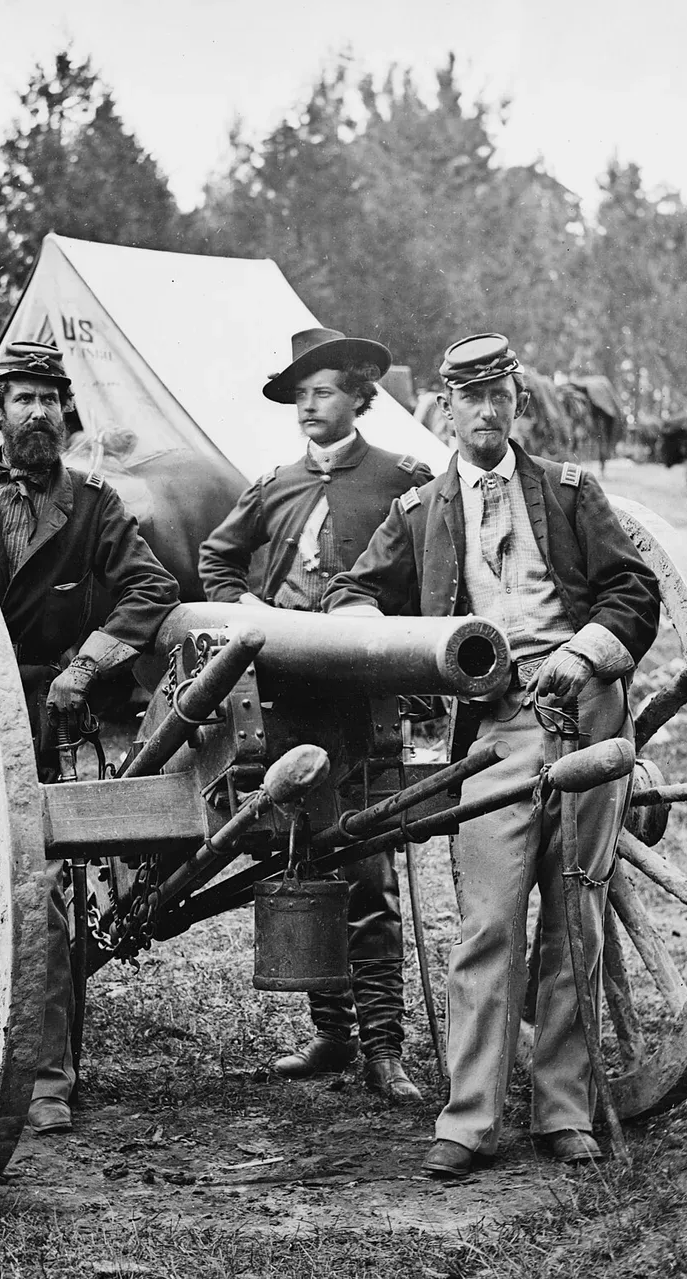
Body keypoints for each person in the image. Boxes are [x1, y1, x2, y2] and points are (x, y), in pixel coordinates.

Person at [324, 334, 659, 1177]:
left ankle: (563, 1110)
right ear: (444, 408)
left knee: (574, 916)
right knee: (487, 921)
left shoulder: (571, 493)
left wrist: (585, 652)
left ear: (517, 402)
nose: (484, 411)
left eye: (497, 395)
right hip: (495, 736)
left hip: (585, 717)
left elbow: (633, 589)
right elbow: (352, 594)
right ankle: (469, 1117)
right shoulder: (420, 515)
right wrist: (394, 646)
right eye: (467, 398)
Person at [0, 341, 179, 1135]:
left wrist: (88, 666)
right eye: (21, 398)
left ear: (66, 413)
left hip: (47, 715)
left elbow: (151, 587)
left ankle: (48, 1076)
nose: (36, 413)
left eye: (48, 399)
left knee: (43, 898)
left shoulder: (93, 505)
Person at [198, 327, 432, 1105]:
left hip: (366, 703)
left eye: (323, 390)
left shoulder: (403, 479)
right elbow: (216, 562)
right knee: (306, 858)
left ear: (360, 396)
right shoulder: (271, 485)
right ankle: (331, 1031)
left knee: (370, 870)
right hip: (292, 702)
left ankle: (385, 1048)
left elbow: (430, 571)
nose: (308, 405)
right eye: (299, 395)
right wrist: (250, 614)